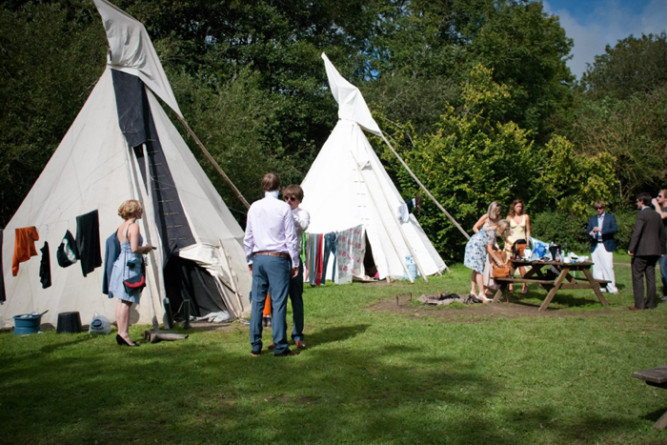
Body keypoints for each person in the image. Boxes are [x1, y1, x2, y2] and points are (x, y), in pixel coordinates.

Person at [244, 173, 300, 356]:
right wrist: (295, 262)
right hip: (277, 258)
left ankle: (255, 345)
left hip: (259, 257)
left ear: (263, 187)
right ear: (278, 187)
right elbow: (290, 238)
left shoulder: (254, 207)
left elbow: (248, 237)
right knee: (278, 302)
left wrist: (250, 259)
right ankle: (280, 345)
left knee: (258, 302)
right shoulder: (283, 208)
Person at [108, 200, 155, 346]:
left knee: (122, 300)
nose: (141, 212)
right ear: (134, 211)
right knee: (127, 301)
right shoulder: (133, 226)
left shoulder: (121, 227)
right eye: (139, 210)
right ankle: (124, 334)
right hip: (129, 265)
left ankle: (121, 333)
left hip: (121, 264)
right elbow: (134, 248)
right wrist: (146, 248)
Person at [280, 184, 310, 349]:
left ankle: (298, 334)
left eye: (292, 199)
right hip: (280, 257)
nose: (289, 201)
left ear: (298, 200)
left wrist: (289, 215)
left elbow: (302, 226)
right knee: (280, 300)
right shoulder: (280, 212)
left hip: (294, 258)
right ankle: (280, 335)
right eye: (286, 198)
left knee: (296, 299)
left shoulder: (302, 214)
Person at [628, 192, 666, 310]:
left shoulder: (642, 214)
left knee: (637, 276)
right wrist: (662, 249)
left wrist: (631, 248)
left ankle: (639, 304)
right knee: (651, 276)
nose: (637, 203)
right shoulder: (656, 215)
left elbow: (637, 232)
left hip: (642, 251)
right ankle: (650, 303)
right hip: (655, 251)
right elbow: (662, 234)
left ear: (642, 201)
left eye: (638, 201)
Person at [464, 202, 506, 301]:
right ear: (492, 210)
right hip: (477, 244)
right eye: (497, 210)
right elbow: (475, 227)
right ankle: (482, 293)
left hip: (484, 243)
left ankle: (473, 291)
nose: (499, 212)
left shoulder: (498, 220)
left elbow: (493, 236)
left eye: (500, 210)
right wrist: (482, 236)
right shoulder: (486, 217)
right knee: (479, 269)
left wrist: (496, 246)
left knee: (476, 268)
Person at [586, 201, 619, 294]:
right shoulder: (593, 219)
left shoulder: (610, 217)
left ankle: (612, 287)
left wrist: (601, 230)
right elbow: (588, 230)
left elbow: (614, 229)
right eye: (596, 208)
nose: (598, 210)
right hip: (595, 244)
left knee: (608, 266)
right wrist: (590, 233)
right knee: (596, 267)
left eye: (600, 208)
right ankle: (600, 288)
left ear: (603, 208)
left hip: (606, 244)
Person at [505, 199, 531, 293]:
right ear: (513, 207)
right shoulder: (509, 218)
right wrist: (505, 244)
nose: (519, 208)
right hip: (511, 243)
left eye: (520, 206)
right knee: (510, 265)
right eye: (517, 206)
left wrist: (528, 242)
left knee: (521, 265)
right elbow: (506, 231)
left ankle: (524, 284)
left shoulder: (526, 217)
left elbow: (528, 230)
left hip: (522, 243)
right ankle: (510, 285)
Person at [651, 189, 667, 300]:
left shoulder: (663, 210)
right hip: (662, 242)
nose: (658, 198)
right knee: (663, 268)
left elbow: (661, 216)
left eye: (660, 196)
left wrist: (656, 205)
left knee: (664, 268)